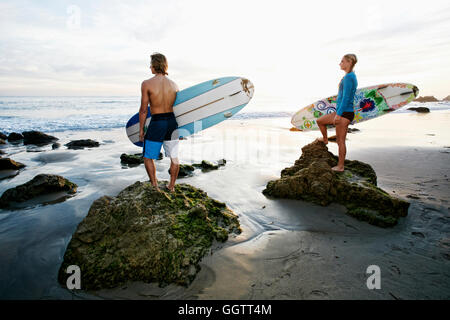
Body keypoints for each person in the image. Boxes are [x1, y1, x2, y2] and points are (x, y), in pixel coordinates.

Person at [139, 53, 180, 192]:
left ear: (154, 65)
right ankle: (171, 186)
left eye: (150, 64)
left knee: (148, 156)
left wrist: (141, 130)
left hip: (157, 123)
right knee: (174, 157)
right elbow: (179, 109)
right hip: (172, 122)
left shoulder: (147, 84)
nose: (149, 66)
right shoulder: (174, 85)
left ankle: (155, 185)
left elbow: (144, 110)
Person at [316, 54, 358, 172]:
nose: (340, 63)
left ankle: (340, 166)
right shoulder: (348, 76)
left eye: (342, 61)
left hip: (344, 113)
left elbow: (346, 98)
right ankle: (325, 139)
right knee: (320, 121)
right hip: (341, 111)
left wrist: (338, 115)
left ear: (349, 62)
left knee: (340, 141)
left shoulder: (350, 77)